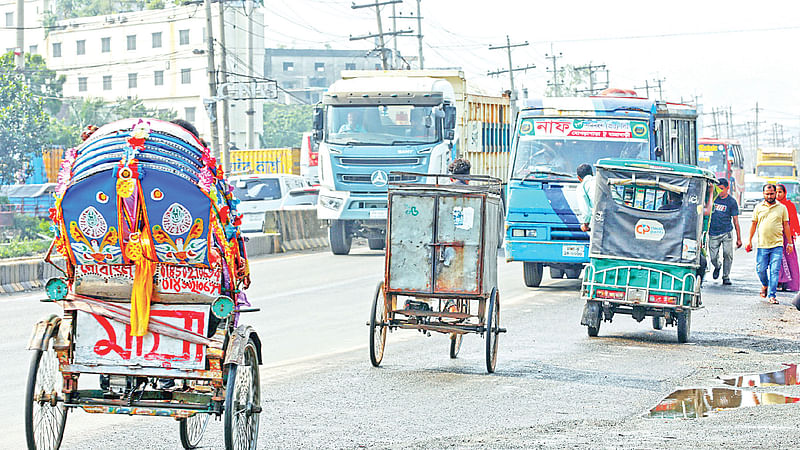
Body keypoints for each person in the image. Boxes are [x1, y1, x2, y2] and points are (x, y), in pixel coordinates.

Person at [746, 184, 793, 304]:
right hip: (762, 245)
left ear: (775, 194)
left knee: (774, 270)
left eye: (772, 193)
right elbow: (753, 224)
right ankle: (765, 285)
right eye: (767, 194)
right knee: (760, 269)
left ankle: (772, 295)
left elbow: (786, 225)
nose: (770, 196)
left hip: (777, 245)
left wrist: (790, 243)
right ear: (763, 194)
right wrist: (749, 241)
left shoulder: (782, 208)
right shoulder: (758, 207)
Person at [708, 178, 742, 285]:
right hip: (713, 233)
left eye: (722, 189)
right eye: (718, 189)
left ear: (727, 188)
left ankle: (726, 276)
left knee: (728, 254)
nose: (720, 191)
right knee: (713, 257)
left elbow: (736, 220)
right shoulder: (712, 199)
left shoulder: (731, 202)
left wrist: (739, 238)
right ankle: (717, 266)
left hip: (726, 232)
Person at [777, 184, 800, 291]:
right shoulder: (772, 205)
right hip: (775, 236)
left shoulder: (789, 205)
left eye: (780, 192)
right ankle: (777, 282)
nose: (778, 195)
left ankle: (790, 284)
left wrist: (790, 236)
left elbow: (793, 221)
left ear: (784, 193)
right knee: (776, 259)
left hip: (787, 237)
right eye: (775, 192)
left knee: (789, 259)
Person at [576, 163, 595, 232]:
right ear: (592, 173)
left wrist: (585, 225)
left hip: (600, 220)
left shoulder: (582, 187)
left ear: (578, 178)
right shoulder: (602, 181)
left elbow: (586, 212)